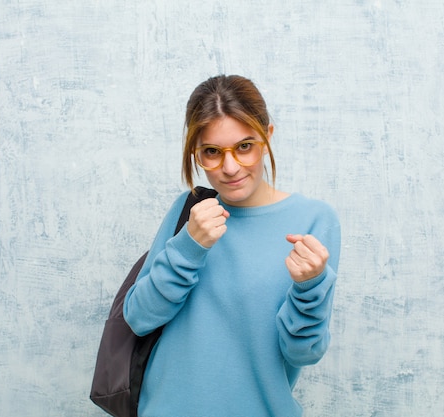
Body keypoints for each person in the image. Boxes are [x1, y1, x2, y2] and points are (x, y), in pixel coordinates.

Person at [123, 74, 341, 417]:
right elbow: (138, 318)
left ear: (267, 136)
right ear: (197, 153)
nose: (229, 167)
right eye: (212, 152)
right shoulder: (190, 210)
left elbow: (304, 353)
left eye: (244, 146)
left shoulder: (314, 220)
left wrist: (309, 287)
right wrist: (189, 246)